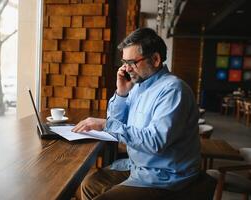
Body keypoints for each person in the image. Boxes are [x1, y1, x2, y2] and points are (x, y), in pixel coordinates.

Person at [72, 28, 201, 200]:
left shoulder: (173, 90)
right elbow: (115, 124)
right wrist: (122, 93)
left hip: (164, 177)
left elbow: (155, 142)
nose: (126, 69)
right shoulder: (138, 86)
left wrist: (104, 124)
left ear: (155, 59)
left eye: (132, 62)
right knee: (89, 185)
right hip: (139, 167)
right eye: (124, 62)